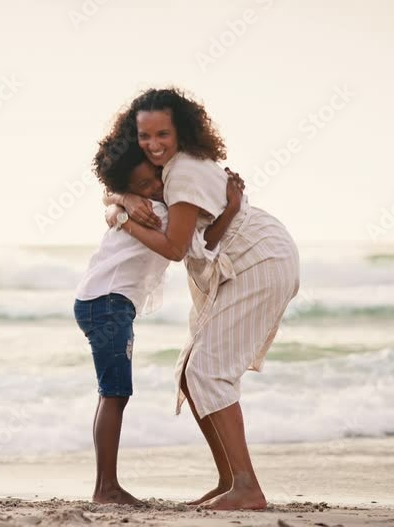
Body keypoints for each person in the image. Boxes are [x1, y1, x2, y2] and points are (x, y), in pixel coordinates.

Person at [99, 87, 300, 511]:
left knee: (208, 370)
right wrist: (122, 199)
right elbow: (116, 188)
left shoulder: (184, 173)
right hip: (243, 262)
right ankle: (230, 480)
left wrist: (124, 220)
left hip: (257, 260)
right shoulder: (168, 170)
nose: (153, 144)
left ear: (182, 132)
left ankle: (247, 487)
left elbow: (175, 248)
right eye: (144, 136)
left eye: (163, 134)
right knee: (193, 372)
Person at [74, 139, 244, 506]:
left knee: (113, 393)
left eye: (154, 179)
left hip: (101, 301)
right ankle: (106, 488)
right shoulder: (157, 213)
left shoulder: (140, 205)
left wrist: (121, 201)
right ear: (129, 188)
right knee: (114, 393)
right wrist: (230, 208)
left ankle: (106, 485)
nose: (153, 187)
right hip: (107, 303)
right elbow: (198, 245)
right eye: (142, 186)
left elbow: (110, 201)